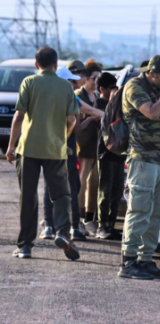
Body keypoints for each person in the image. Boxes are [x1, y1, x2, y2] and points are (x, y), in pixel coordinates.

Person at [6, 46, 80, 260]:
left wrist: (11, 147)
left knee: (28, 197)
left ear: (37, 65)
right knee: (61, 195)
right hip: (55, 150)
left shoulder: (29, 82)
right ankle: (63, 233)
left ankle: (25, 246)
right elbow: (72, 120)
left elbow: (18, 116)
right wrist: (62, 138)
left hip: (28, 148)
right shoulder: (66, 87)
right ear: (56, 65)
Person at [118, 54, 160, 280]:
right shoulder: (135, 86)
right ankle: (128, 262)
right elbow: (152, 112)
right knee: (139, 210)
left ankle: (145, 259)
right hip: (142, 158)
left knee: (157, 213)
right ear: (151, 73)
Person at [39, 67, 88, 242]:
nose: (74, 84)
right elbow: (73, 121)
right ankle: (74, 228)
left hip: (49, 146)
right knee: (71, 186)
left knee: (50, 186)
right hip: (67, 147)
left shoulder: (44, 98)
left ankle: (49, 226)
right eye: (72, 82)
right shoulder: (70, 98)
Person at [75, 59, 102, 236]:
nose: (95, 82)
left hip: (97, 145)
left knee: (95, 182)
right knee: (81, 182)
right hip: (82, 144)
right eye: (93, 78)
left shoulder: (98, 97)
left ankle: (89, 218)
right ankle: (76, 217)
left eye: (98, 79)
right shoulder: (78, 95)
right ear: (86, 78)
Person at [95, 72, 124, 240]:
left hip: (118, 153)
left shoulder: (117, 104)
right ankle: (101, 225)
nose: (115, 91)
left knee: (116, 191)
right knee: (105, 192)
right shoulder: (100, 103)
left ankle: (111, 225)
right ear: (103, 89)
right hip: (106, 153)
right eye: (112, 88)